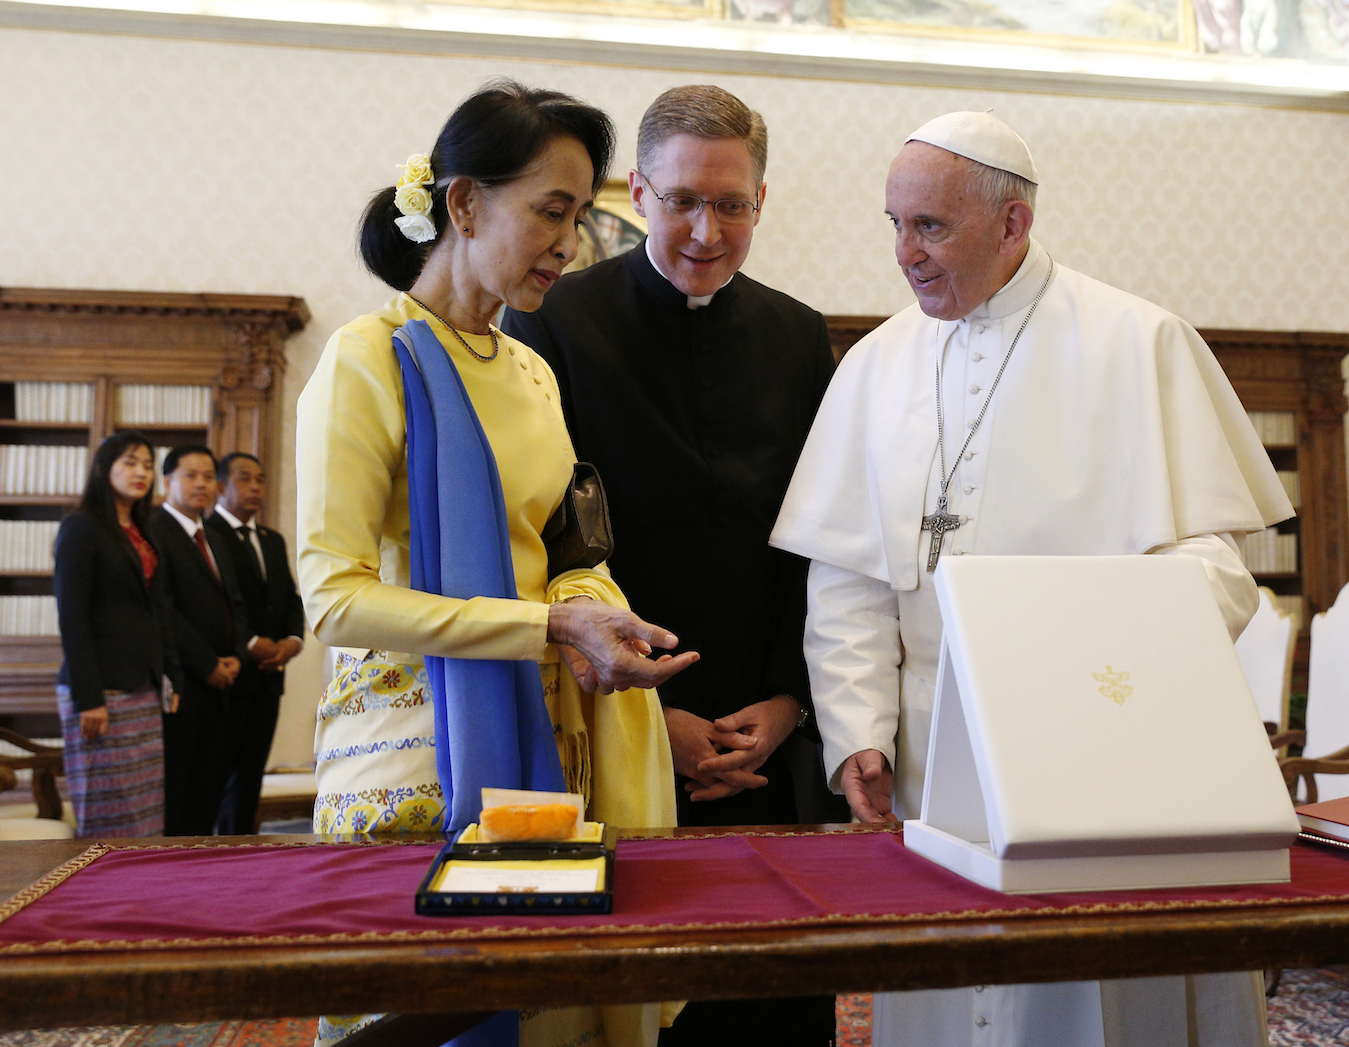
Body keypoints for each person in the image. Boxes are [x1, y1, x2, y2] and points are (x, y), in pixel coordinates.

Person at [771, 111, 1295, 1047]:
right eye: (893, 223)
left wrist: (1080, 666)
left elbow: (1218, 571)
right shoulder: (874, 368)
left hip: (1104, 750)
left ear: (1012, 223)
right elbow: (848, 580)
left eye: (930, 226)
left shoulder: (1139, 342)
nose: (904, 252)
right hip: (936, 756)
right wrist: (859, 732)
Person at [297, 80, 696, 1047]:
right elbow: (334, 598)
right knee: (424, 1019)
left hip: (535, 724)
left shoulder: (528, 368)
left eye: (579, 215)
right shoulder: (369, 359)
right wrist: (550, 627)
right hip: (407, 750)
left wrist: (585, 613)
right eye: (550, 212)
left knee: (544, 1007)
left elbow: (555, 548)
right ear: (465, 204)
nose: (569, 242)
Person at [503, 84, 840, 1047]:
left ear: (762, 203)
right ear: (640, 193)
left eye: (731, 204)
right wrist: (652, 716)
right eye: (684, 199)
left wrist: (786, 703)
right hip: (620, 718)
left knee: (770, 1000)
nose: (706, 229)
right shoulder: (557, 324)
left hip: (767, 736)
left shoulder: (798, 334)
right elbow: (548, 547)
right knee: (640, 997)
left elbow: (814, 537)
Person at [53, 431, 180, 837]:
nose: (140, 472)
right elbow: (73, 617)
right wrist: (89, 698)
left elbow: (158, 611)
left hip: (141, 685)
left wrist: (168, 676)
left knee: (143, 807)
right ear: (104, 468)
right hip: (100, 690)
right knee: (105, 805)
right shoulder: (81, 527)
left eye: (147, 464)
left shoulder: (146, 531)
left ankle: (141, 889)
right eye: (129, 462)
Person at [149, 444, 248, 837]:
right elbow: (164, 610)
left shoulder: (215, 538)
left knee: (209, 794)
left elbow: (236, 604)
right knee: (179, 796)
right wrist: (207, 664)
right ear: (168, 481)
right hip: (184, 684)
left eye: (209, 476)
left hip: (223, 686)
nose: (202, 484)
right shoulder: (154, 532)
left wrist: (237, 655)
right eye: (191, 475)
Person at [206, 451, 304, 835]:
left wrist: (291, 642)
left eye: (260, 480)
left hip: (269, 676)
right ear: (221, 487)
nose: (255, 487)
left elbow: (290, 599)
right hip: (227, 675)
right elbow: (217, 602)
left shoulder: (271, 539)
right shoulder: (208, 534)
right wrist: (249, 643)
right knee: (219, 777)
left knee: (251, 776)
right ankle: (217, 855)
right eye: (244, 479)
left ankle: (244, 848)